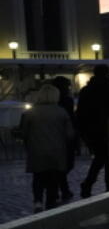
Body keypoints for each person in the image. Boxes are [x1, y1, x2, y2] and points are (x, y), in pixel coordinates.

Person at [19, 83, 75, 213]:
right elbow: (69, 134)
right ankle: (51, 203)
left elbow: (24, 133)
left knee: (38, 177)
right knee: (53, 178)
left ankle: (38, 201)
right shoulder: (61, 112)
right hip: (57, 150)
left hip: (36, 150)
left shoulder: (30, 112)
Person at [76, 63, 109, 198]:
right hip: (108, 129)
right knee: (107, 158)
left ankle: (89, 183)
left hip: (91, 130)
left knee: (100, 157)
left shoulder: (86, 90)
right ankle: (107, 185)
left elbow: (80, 112)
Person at [50, 76, 77, 202]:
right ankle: (60, 190)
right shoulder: (67, 101)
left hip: (53, 136)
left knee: (60, 165)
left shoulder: (52, 101)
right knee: (66, 164)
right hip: (65, 136)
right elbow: (70, 118)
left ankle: (59, 190)